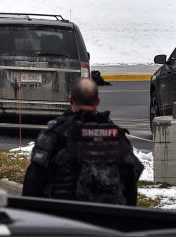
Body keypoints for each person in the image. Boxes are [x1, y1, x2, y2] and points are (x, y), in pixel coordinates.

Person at [23, 77, 142, 205]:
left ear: (71, 100)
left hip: (65, 217)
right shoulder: (116, 135)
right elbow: (131, 183)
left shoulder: (57, 133)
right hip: (109, 217)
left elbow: (33, 181)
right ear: (97, 101)